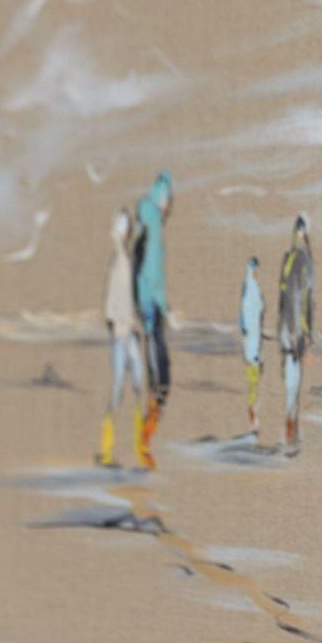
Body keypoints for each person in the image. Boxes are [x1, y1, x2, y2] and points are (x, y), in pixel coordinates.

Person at [98, 208, 146, 468]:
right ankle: (107, 452)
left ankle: (139, 451)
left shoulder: (122, 260)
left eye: (124, 228)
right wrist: (118, 324)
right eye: (122, 228)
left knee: (137, 388)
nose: (123, 233)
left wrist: (128, 323)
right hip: (121, 336)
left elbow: (121, 301)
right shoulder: (120, 261)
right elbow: (112, 303)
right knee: (122, 390)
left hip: (127, 335)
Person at [133, 171, 173, 468]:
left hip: (149, 307)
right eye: (168, 197)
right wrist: (158, 307)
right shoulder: (154, 225)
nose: (169, 204)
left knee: (157, 379)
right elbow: (150, 272)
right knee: (161, 383)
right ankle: (145, 442)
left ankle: (145, 441)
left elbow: (144, 271)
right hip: (152, 308)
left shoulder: (146, 225)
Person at [278, 214, 314, 454]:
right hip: (292, 331)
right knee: (293, 382)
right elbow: (294, 296)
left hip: (291, 329)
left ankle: (292, 428)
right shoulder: (299, 259)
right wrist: (296, 331)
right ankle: (290, 431)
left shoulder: (293, 258)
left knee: (294, 381)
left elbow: (301, 298)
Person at [239, 256, 265, 438]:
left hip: (254, 339)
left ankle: (254, 418)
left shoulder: (252, 287)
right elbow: (248, 318)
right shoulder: (250, 289)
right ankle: (253, 419)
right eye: (255, 270)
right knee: (253, 380)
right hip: (252, 341)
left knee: (254, 378)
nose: (257, 273)